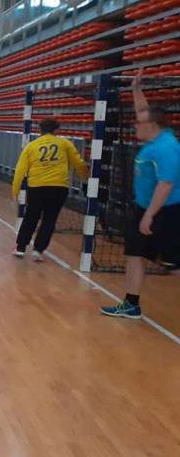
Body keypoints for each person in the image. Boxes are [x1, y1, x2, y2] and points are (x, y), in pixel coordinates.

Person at [101, 71, 180, 319]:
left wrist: (149, 215)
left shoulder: (166, 148)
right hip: (143, 208)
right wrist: (136, 90)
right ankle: (131, 304)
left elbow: (166, 184)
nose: (135, 124)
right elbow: (144, 112)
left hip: (166, 213)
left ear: (151, 127)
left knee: (174, 265)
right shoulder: (154, 138)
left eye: (138, 123)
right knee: (134, 254)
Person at [10, 118, 88, 261]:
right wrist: (86, 178)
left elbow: (20, 170)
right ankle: (38, 250)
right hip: (59, 187)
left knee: (31, 217)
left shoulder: (31, 146)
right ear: (56, 130)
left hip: (37, 187)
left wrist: (15, 191)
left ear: (40, 130)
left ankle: (20, 248)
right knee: (49, 219)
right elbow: (79, 163)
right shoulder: (65, 143)